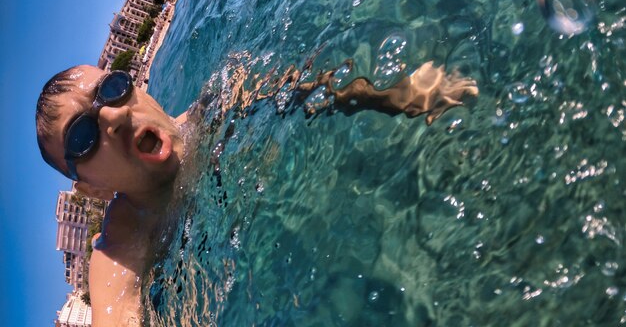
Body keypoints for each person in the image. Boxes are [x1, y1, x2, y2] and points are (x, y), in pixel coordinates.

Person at [36, 60, 478, 326]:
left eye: (112, 89)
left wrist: (402, 96)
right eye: (82, 138)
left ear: (137, 87)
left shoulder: (220, 104)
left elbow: (316, 87)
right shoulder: (121, 248)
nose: (112, 117)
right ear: (89, 187)